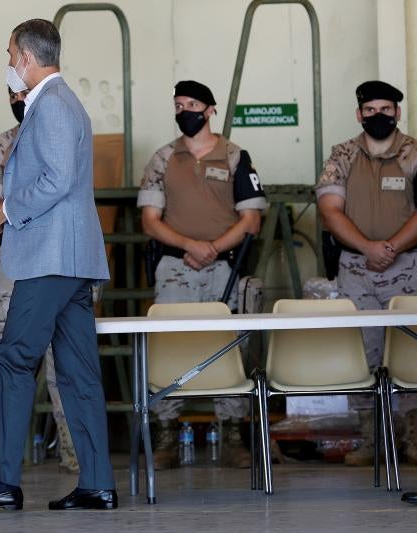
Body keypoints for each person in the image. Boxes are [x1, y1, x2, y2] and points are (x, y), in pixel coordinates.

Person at [0, 18, 116, 511]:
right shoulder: (55, 105)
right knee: (79, 372)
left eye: (9, 55)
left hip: (51, 258)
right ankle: (97, 483)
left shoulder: (54, 106)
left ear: (26, 57)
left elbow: (59, 179)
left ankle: (2, 482)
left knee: (15, 358)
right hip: (69, 257)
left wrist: (7, 209)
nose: (8, 65)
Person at [138, 80, 267, 470]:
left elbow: (252, 219)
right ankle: (166, 435)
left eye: (192, 104)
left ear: (210, 110)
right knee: (170, 346)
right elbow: (149, 221)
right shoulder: (163, 158)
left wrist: (212, 247)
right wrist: (190, 245)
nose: (184, 111)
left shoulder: (234, 156)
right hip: (175, 268)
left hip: (223, 267)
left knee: (227, 345)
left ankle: (231, 433)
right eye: (178, 104)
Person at [0, 87, 79, 474]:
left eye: (24, 93)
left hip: (57, 256)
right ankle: (2, 460)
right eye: (11, 95)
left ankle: (74, 452)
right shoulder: (2, 143)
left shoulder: (60, 133)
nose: (18, 101)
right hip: (14, 258)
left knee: (64, 358)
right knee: (6, 352)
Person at [316, 80, 417, 469]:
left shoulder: (412, 153)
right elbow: (330, 209)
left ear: (397, 112)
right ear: (359, 115)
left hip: (407, 266)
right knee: (363, 350)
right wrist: (368, 248)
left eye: (385, 109)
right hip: (355, 269)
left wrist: (389, 247)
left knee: (411, 350)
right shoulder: (341, 155)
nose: (378, 116)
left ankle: (411, 435)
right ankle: (373, 437)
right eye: (370, 110)